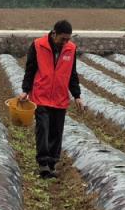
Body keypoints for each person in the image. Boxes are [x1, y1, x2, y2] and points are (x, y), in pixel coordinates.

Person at [19, 19, 83, 179]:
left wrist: (77, 95)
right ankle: (43, 164)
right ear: (54, 33)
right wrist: (25, 90)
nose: (66, 42)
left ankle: (52, 162)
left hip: (60, 97)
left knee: (56, 131)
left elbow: (72, 74)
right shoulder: (38, 45)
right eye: (63, 39)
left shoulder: (71, 49)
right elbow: (30, 69)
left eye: (68, 39)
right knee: (43, 129)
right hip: (41, 96)